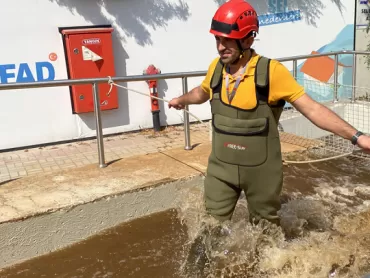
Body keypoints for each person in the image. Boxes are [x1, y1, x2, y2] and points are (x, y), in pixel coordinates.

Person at [168, 0, 370, 226]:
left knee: (265, 235)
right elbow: (201, 93)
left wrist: (357, 137)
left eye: (227, 40)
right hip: (220, 170)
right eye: (217, 38)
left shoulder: (271, 72)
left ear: (248, 39)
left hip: (261, 175)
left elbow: (313, 109)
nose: (220, 46)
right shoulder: (217, 68)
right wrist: (181, 100)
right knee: (209, 227)